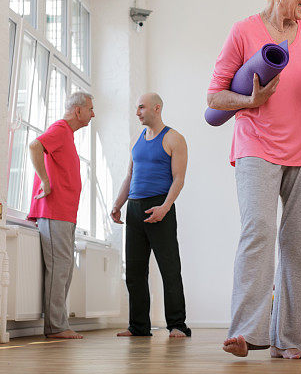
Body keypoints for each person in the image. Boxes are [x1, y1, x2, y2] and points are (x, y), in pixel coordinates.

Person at [208, 0, 301, 360]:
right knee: (259, 231)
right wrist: (250, 98)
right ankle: (247, 333)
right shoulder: (244, 30)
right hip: (257, 147)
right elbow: (215, 96)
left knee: (300, 244)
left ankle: (288, 341)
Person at [110, 93, 191, 338]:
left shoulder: (174, 138)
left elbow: (179, 179)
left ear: (157, 108)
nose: (137, 112)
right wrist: (117, 205)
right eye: (137, 108)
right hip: (134, 208)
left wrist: (165, 207)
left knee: (170, 269)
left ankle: (177, 325)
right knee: (134, 271)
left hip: (159, 207)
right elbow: (129, 176)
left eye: (141, 107)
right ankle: (138, 327)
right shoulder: (138, 141)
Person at [27, 91, 95, 339]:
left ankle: (59, 324)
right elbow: (34, 145)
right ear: (78, 111)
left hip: (65, 213)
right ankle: (56, 327)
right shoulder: (59, 128)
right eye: (90, 109)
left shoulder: (67, 134)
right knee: (60, 268)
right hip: (55, 211)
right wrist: (44, 181)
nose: (93, 113)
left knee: (64, 268)